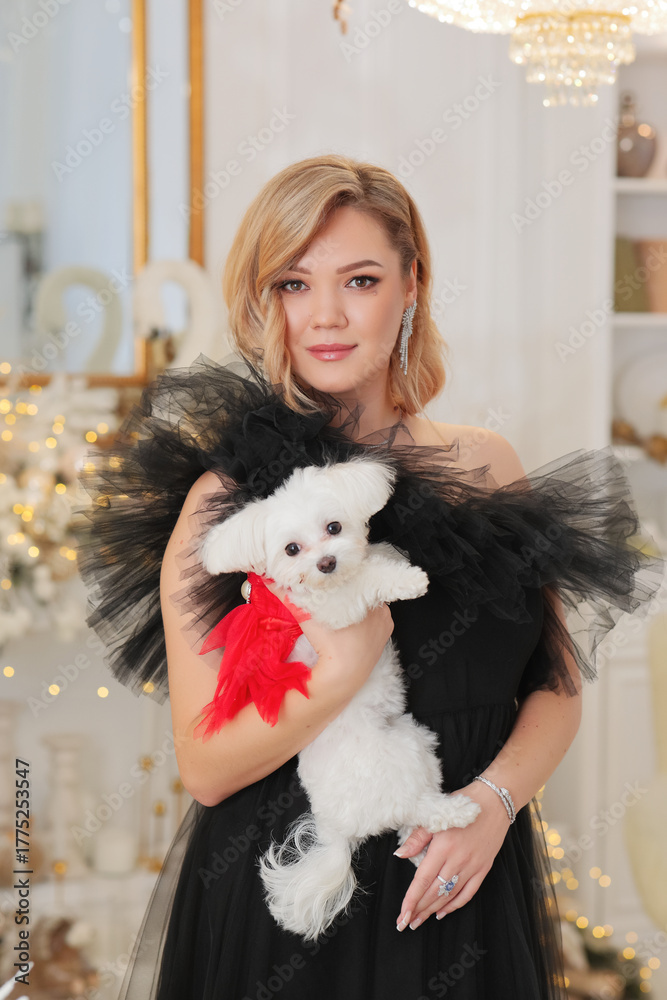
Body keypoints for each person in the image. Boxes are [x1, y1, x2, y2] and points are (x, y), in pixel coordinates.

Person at [76, 154, 664, 1000]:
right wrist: (342, 672)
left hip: (463, 876)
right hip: (293, 897)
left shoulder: (488, 465)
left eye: (359, 280)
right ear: (264, 301)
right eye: (292, 284)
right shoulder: (229, 502)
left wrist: (492, 806)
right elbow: (205, 767)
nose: (324, 315)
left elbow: (555, 685)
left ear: (411, 282)